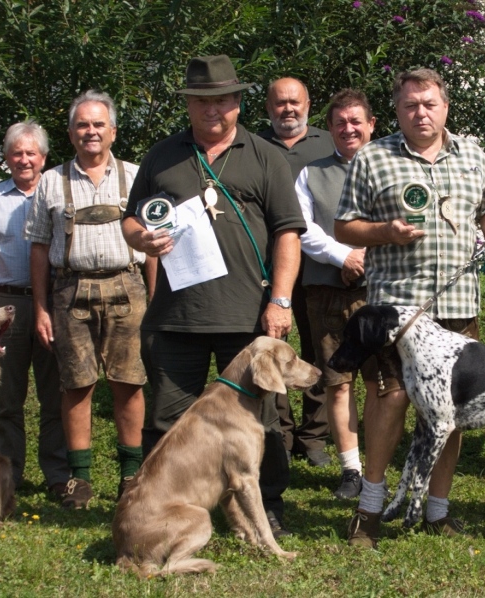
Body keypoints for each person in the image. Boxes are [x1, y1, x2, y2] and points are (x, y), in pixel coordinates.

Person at [122, 55, 305, 536]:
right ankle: (161, 508)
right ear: (189, 104)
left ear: (239, 101)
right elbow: (131, 219)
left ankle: (267, 509)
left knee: (263, 421)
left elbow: (288, 233)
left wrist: (280, 301)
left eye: (222, 99)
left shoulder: (265, 155)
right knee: (167, 422)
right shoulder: (162, 156)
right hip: (174, 316)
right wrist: (139, 238)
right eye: (202, 100)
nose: (213, 109)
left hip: (247, 319)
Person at [334, 68, 485, 548]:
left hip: (457, 305)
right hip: (397, 311)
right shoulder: (373, 157)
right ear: (398, 111)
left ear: (445, 107)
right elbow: (344, 227)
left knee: (448, 410)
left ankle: (438, 511)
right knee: (390, 399)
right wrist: (384, 233)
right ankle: (369, 512)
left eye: (429, 104)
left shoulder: (472, 154)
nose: (421, 113)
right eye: (411, 105)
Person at [24, 90, 151, 508]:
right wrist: (41, 307)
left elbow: (153, 246)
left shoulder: (136, 176)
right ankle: (79, 479)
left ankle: (131, 474)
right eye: (83, 125)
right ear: (71, 132)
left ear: (113, 131)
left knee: (128, 383)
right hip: (70, 289)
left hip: (127, 286)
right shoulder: (50, 182)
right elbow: (39, 248)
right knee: (75, 385)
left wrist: (155, 298)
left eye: (99, 124)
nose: (91, 132)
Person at [0, 120, 71, 502]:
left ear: (44, 158)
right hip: (3, 305)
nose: (24, 159)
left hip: (53, 302)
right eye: (17, 152)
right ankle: (6, 476)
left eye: (32, 153)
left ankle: (58, 476)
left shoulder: (59, 195)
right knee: (6, 396)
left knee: (55, 393)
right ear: (7, 157)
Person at [293, 88, 377, 499]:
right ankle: (351, 471)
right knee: (337, 381)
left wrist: (369, 256)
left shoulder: (390, 168)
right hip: (327, 291)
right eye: (340, 122)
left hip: (381, 290)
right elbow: (303, 228)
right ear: (329, 128)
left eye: (356, 121)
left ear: (371, 125)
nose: (349, 129)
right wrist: (344, 255)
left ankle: (378, 467)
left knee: (382, 381)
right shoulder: (310, 173)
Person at [259, 76, 337, 466]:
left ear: (308, 103)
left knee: (319, 350)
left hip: (320, 268)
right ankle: (280, 432)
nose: (287, 109)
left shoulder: (329, 143)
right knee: (273, 349)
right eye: (279, 103)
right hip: (269, 268)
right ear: (268, 107)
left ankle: (315, 435)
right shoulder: (254, 146)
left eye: (295, 102)